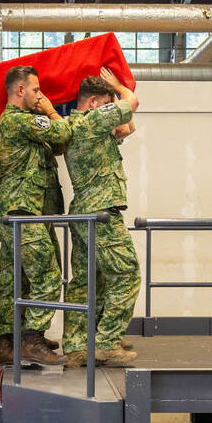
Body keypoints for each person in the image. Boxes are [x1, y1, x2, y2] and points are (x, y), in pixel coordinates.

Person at [0, 65, 70, 367]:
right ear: (20, 90)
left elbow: (59, 145)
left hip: (25, 210)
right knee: (48, 274)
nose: (40, 95)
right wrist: (50, 110)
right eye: (36, 90)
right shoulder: (18, 120)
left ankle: (3, 344)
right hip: (21, 210)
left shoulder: (26, 125)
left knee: (14, 279)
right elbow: (64, 131)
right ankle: (31, 340)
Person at [61, 68, 142, 367]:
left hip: (86, 212)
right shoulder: (92, 122)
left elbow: (127, 127)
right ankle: (106, 342)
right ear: (94, 102)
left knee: (86, 280)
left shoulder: (82, 126)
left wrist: (113, 97)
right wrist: (118, 85)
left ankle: (77, 346)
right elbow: (132, 102)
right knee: (126, 273)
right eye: (107, 103)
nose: (111, 108)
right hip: (101, 211)